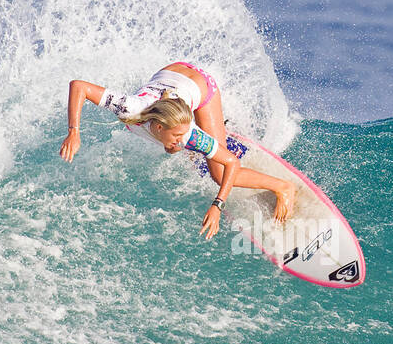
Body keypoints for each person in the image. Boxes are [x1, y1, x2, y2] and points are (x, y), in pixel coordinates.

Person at [60, 62, 296, 239]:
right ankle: (217, 131)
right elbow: (78, 86)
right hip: (173, 75)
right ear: (159, 127)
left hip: (201, 85)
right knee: (190, 151)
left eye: (183, 135)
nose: (182, 139)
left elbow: (231, 163)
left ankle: (283, 187)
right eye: (176, 136)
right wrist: (74, 131)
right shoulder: (129, 108)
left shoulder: (189, 134)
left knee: (216, 173)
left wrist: (218, 204)